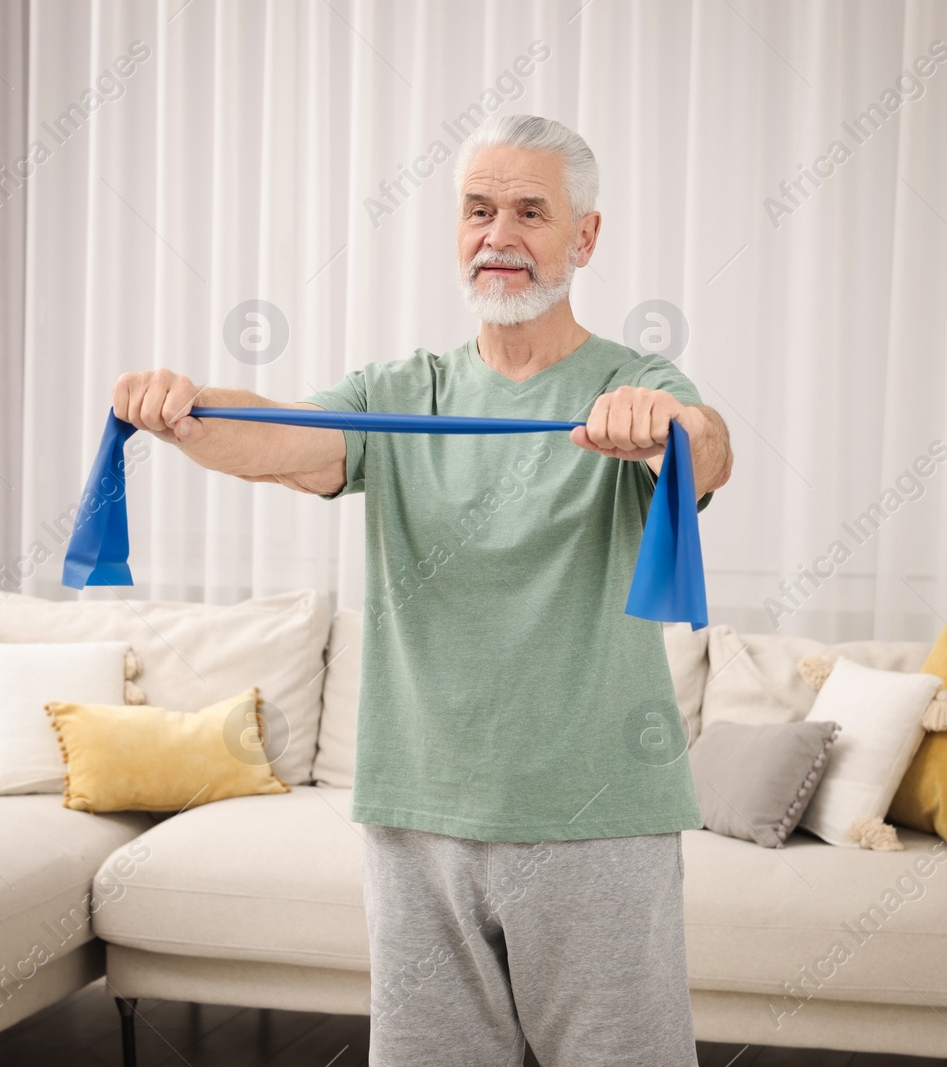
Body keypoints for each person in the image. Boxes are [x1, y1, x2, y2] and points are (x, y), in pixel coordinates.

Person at [112, 113, 733, 1067]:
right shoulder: (406, 392)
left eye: (531, 212)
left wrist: (667, 427)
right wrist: (190, 410)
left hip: (596, 816)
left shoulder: (633, 382)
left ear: (585, 237)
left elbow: (706, 454)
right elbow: (284, 440)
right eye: (479, 211)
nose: (499, 236)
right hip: (415, 819)